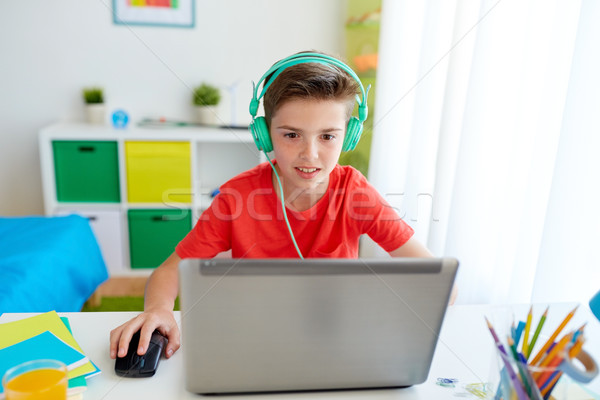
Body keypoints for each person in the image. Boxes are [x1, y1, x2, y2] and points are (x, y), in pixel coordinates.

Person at [109, 51, 454, 362]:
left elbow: (432, 276)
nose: (310, 154)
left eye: (327, 136)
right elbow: (170, 271)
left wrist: (437, 295)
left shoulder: (356, 193)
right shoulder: (236, 197)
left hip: (335, 336)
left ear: (347, 136)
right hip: (254, 335)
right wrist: (159, 310)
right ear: (264, 133)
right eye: (291, 135)